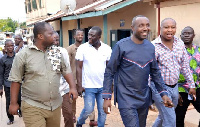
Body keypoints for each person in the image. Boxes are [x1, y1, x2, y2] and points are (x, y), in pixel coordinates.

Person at [102, 15, 173, 127]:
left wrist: (163, 93)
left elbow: (155, 72)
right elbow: (109, 71)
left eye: (147, 25)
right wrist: (107, 97)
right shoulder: (121, 46)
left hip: (143, 97)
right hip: (126, 97)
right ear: (132, 28)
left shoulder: (150, 47)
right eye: (141, 25)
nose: (145, 28)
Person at [8, 22, 78, 127]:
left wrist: (72, 87)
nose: (54, 36)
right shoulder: (23, 55)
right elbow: (15, 80)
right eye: (50, 33)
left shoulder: (57, 52)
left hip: (55, 105)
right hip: (32, 105)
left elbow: (66, 70)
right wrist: (13, 103)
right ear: (40, 36)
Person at [151, 18, 196, 127]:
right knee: (170, 119)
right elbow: (149, 71)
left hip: (174, 87)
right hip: (159, 87)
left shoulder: (179, 44)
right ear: (160, 29)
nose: (170, 30)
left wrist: (191, 85)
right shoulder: (153, 46)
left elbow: (185, 66)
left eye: (173, 27)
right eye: (166, 27)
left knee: (164, 115)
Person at [76, 26, 112, 127]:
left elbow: (109, 69)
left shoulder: (107, 49)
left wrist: (110, 86)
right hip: (88, 86)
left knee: (103, 111)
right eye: (89, 35)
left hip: (103, 86)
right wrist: (79, 85)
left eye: (92, 36)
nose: (89, 37)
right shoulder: (83, 48)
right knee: (88, 109)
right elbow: (78, 68)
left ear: (99, 37)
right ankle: (79, 122)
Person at [67, 29, 98, 126]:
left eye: (82, 35)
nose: (80, 36)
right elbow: (67, 64)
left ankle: (92, 119)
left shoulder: (88, 48)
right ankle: (72, 115)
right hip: (73, 78)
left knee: (89, 99)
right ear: (74, 37)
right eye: (78, 35)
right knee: (72, 99)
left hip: (86, 78)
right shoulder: (70, 49)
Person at [175, 26, 200, 127]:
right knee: (179, 117)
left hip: (197, 87)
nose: (186, 35)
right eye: (184, 33)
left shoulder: (198, 49)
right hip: (181, 89)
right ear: (180, 36)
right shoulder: (176, 51)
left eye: (189, 33)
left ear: (193, 35)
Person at [0, 40, 22, 125]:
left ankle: (19, 110)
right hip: (7, 84)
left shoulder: (18, 57)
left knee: (19, 99)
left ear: (14, 46)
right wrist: (1, 87)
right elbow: (1, 74)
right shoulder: (2, 59)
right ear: (5, 47)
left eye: (12, 46)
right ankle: (11, 118)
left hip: (17, 82)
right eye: (8, 46)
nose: (10, 47)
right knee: (8, 102)